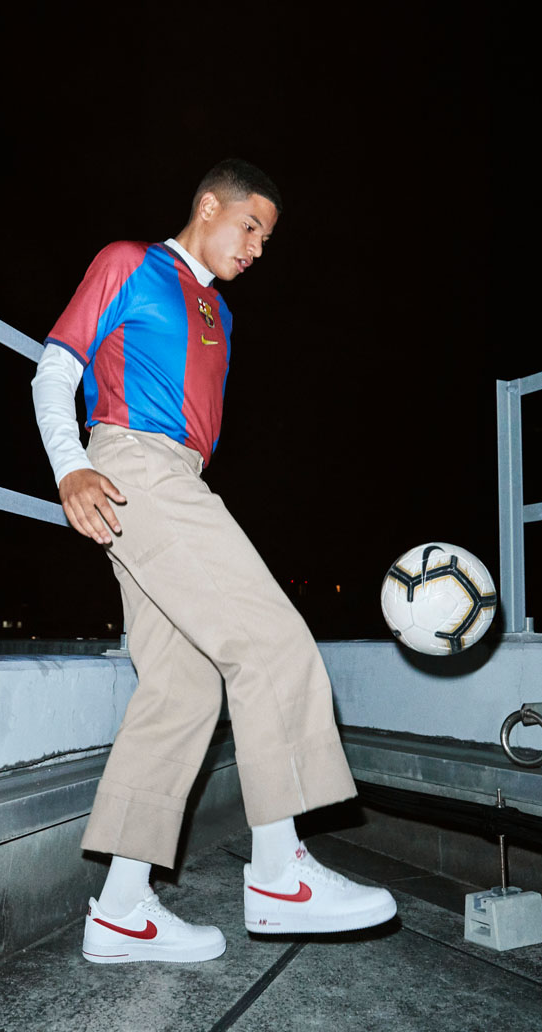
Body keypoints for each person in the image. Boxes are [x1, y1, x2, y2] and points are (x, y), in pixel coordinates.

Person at [32, 158, 396, 964]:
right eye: (250, 227)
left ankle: (121, 910)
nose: (258, 248)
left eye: (267, 238)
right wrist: (70, 466)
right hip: (135, 465)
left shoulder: (220, 312)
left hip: (176, 477)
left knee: (184, 688)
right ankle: (280, 874)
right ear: (207, 206)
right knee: (271, 642)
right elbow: (56, 367)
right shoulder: (131, 262)